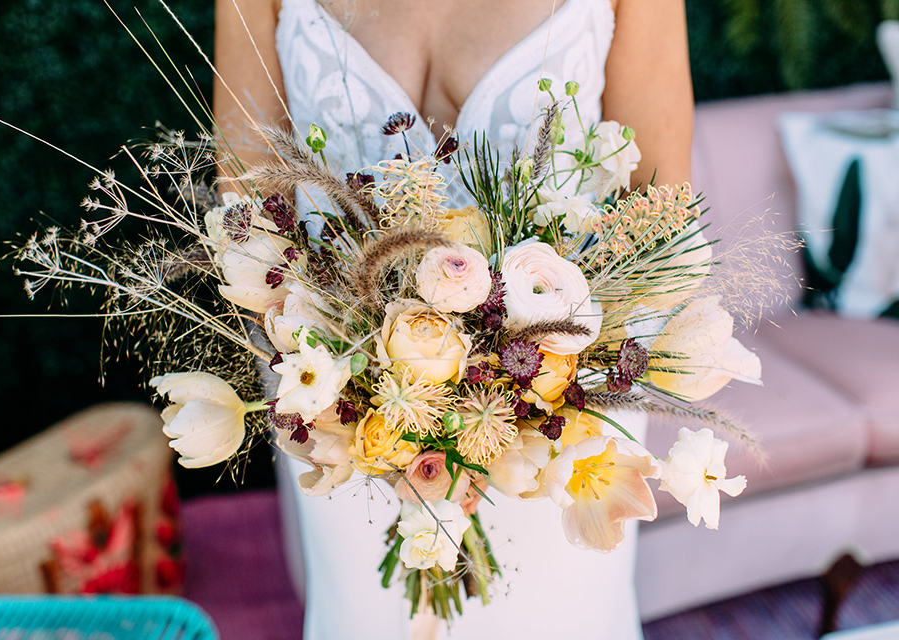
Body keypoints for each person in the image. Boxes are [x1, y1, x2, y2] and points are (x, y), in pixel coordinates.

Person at [212, 1, 693, 638]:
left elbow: (663, 219)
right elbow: (246, 213)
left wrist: (523, 400)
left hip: (561, 437)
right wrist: (352, 393)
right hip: (346, 423)